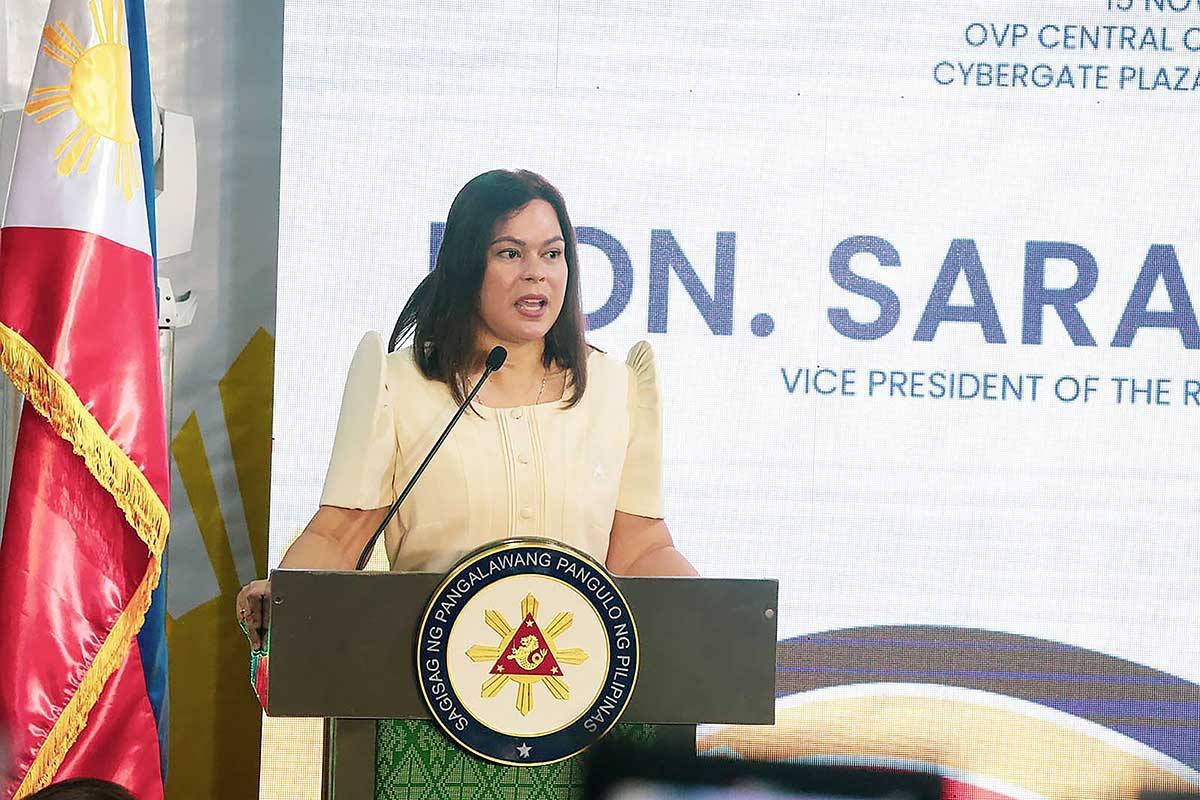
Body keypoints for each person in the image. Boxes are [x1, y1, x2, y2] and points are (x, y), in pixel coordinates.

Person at [235, 169, 696, 645]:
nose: (536, 271)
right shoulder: (400, 386)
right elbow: (339, 536)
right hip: (428, 682)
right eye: (510, 253)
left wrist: (721, 619)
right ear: (467, 264)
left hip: (579, 683)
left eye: (552, 254)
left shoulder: (613, 388)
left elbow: (640, 549)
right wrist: (286, 594)